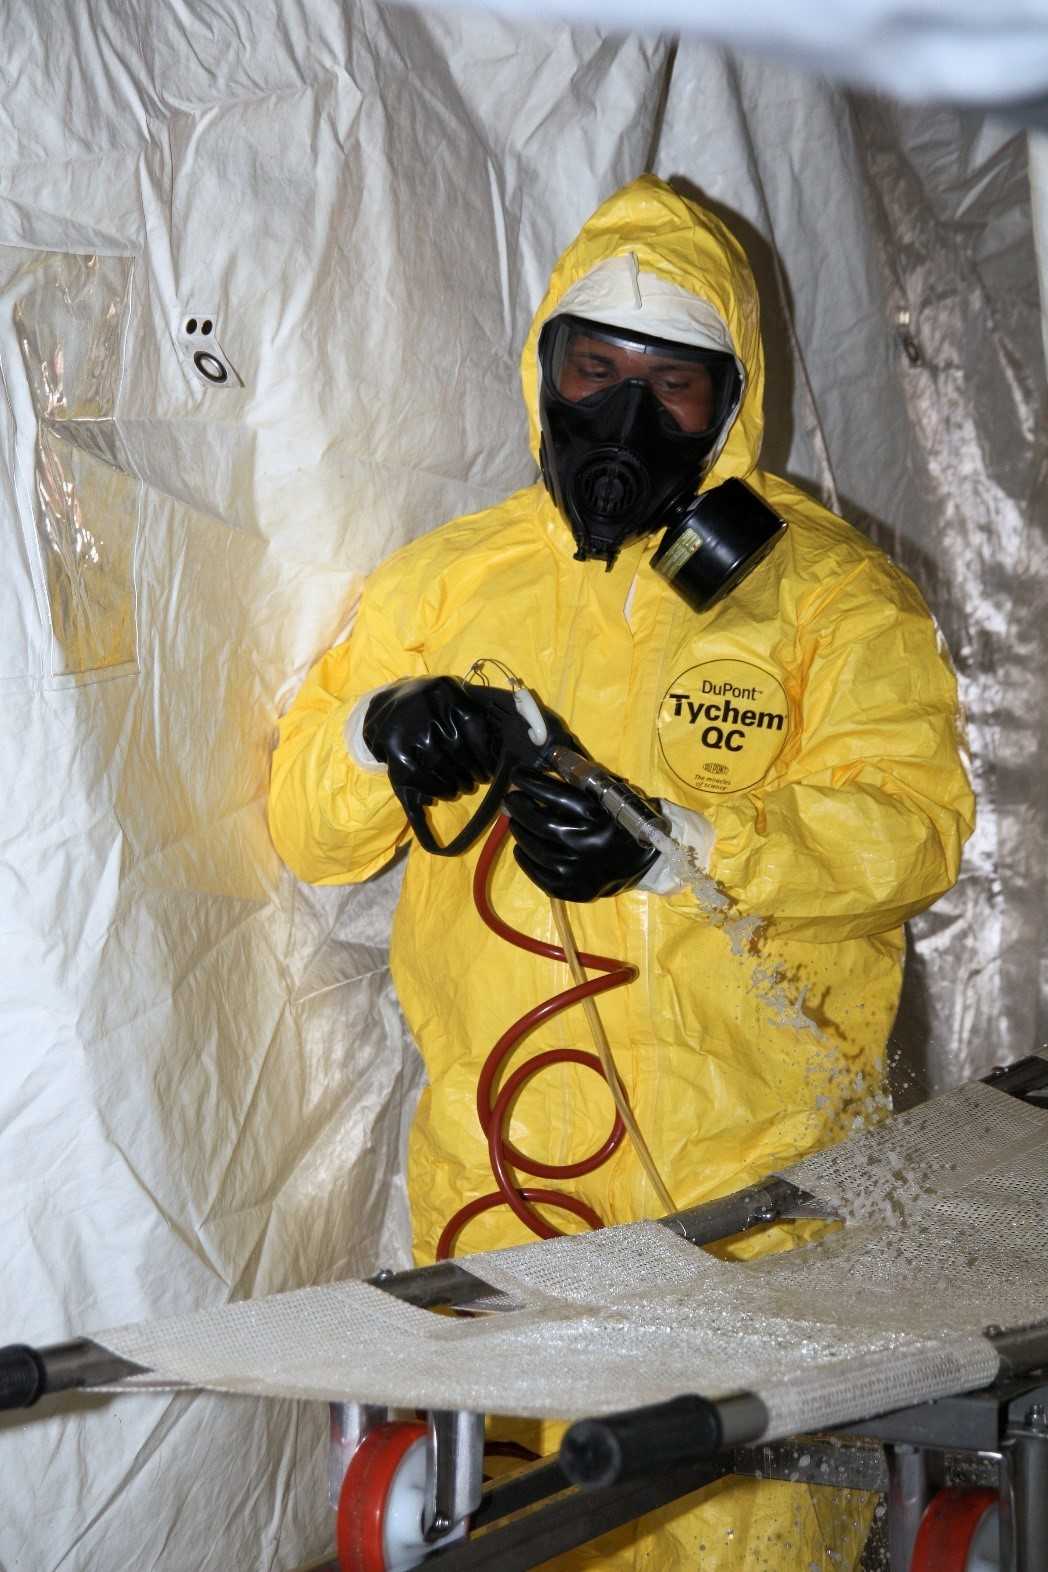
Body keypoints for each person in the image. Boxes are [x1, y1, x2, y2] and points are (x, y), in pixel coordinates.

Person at [267, 175, 974, 1570]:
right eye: (595, 370)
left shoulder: (831, 599)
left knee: (739, 1534)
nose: (625, 421)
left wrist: (690, 849)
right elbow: (311, 831)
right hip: (506, 1193)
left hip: (756, 1211)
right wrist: (378, 734)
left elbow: (912, 829)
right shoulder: (444, 588)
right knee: (510, 1532)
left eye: (674, 388)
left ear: (735, 399)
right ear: (545, 363)